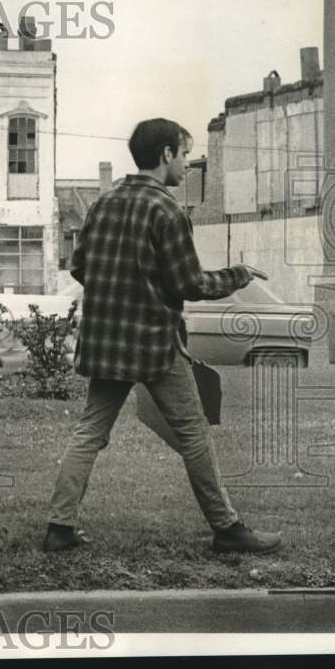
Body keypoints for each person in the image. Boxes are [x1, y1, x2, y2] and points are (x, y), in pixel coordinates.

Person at [43, 118, 282, 555]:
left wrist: (121, 290)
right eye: (185, 154)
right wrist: (238, 275)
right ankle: (227, 529)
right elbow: (188, 283)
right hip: (154, 342)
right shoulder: (167, 210)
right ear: (166, 155)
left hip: (106, 341)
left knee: (90, 432)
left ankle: (59, 528)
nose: (188, 165)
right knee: (193, 433)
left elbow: (79, 268)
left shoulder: (104, 202)